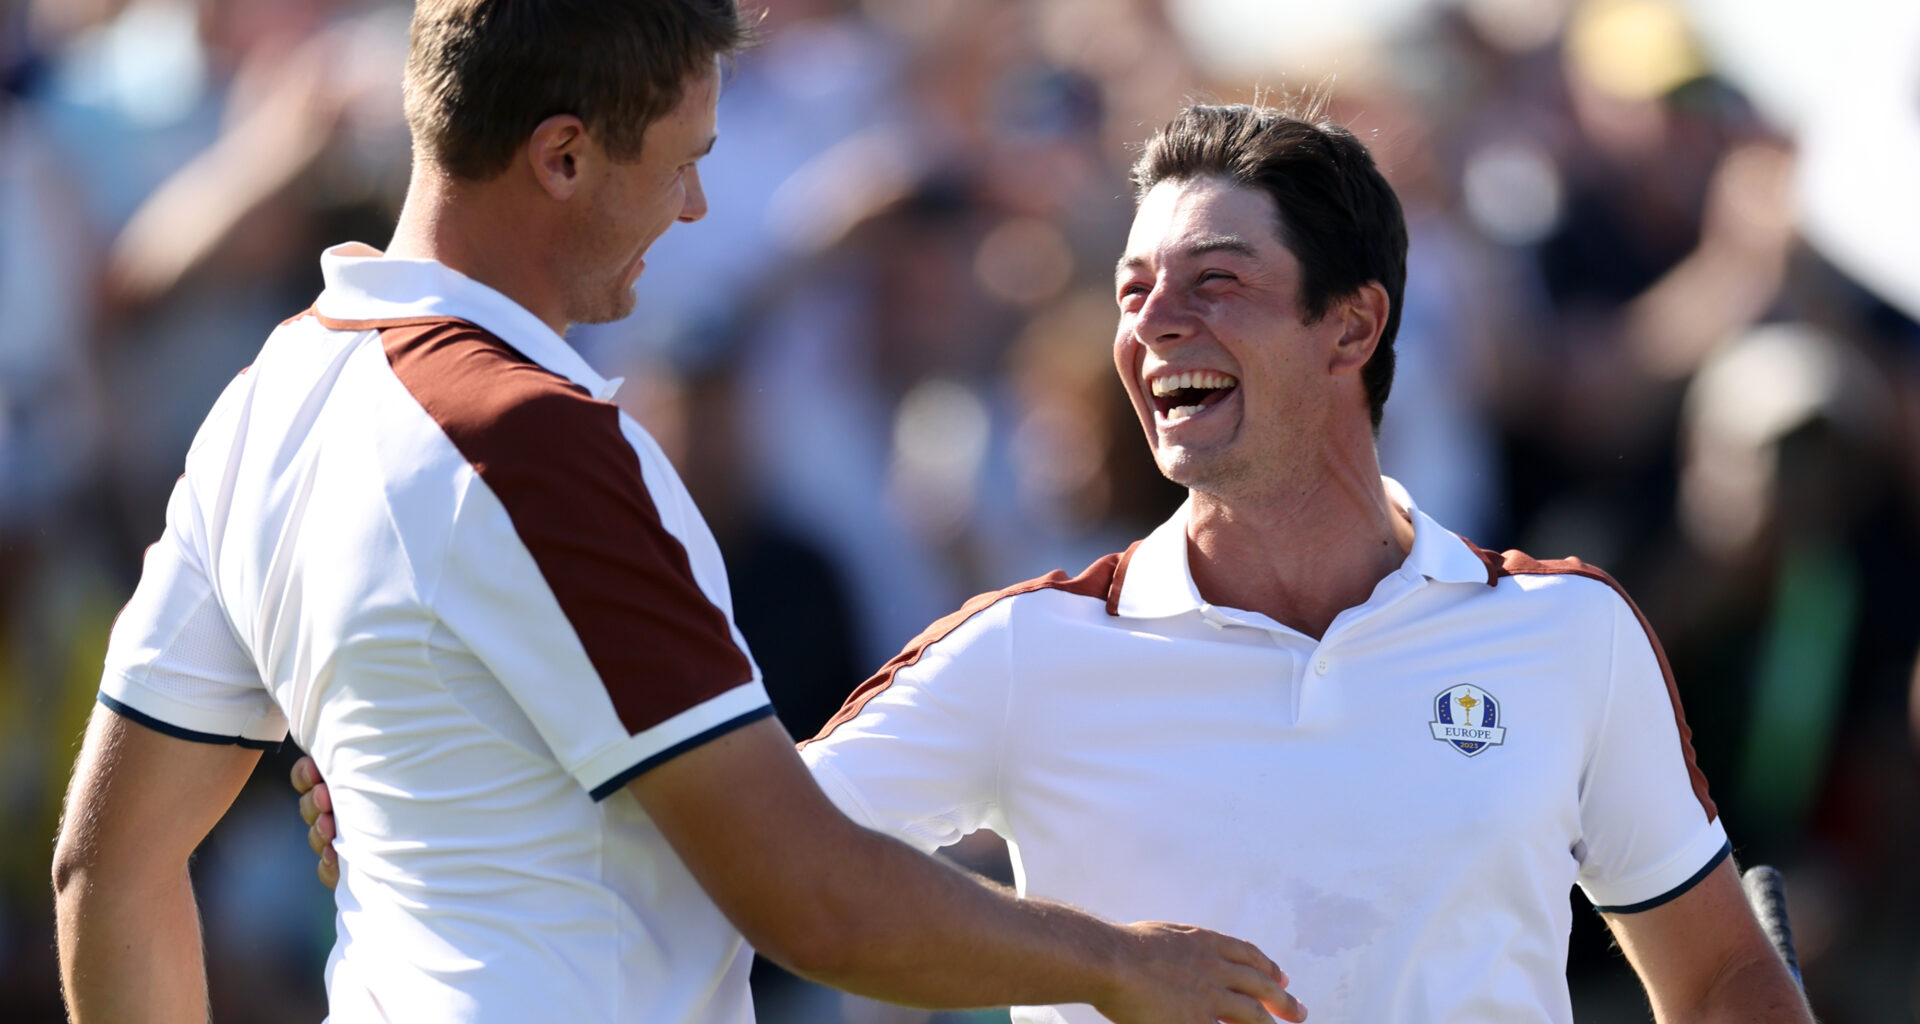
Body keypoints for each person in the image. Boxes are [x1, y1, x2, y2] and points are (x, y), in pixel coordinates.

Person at [304, 98, 1814, 1022]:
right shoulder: (1026, 652)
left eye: (1215, 283)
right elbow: (742, 861)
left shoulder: (1567, 636)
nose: (1153, 328)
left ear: (1352, 327)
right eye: (1134, 290)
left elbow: (1723, 978)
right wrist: (424, 800)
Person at [49, 3, 1307, 1022]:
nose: (695, 205)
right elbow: (814, 901)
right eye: (685, 159)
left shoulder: (269, 397)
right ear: (563, 156)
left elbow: (106, 866)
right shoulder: (531, 443)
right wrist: (1121, 964)